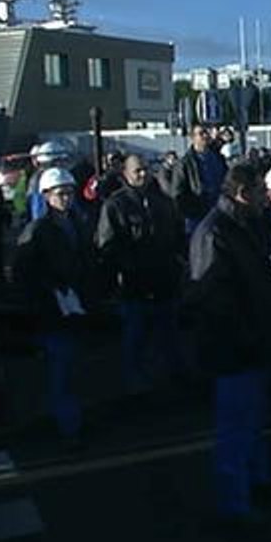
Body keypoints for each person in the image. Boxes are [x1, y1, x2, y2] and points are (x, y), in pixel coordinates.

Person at [183, 163, 271, 531]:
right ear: (243, 194)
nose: (266, 199)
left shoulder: (243, 226)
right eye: (260, 192)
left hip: (252, 345)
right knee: (234, 429)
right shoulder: (215, 234)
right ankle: (234, 505)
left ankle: (256, 482)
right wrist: (248, 335)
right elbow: (211, 300)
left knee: (253, 422)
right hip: (233, 350)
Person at [13, 168, 95, 449]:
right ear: (46, 196)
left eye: (69, 192)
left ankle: (74, 419)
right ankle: (67, 426)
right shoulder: (37, 230)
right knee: (61, 370)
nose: (66, 198)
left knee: (74, 368)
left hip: (76, 307)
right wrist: (48, 292)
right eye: (60, 193)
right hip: (52, 309)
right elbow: (22, 274)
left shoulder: (76, 222)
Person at [95, 154, 189, 399]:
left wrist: (178, 263)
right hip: (135, 287)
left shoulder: (163, 202)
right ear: (125, 173)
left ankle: (170, 385)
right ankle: (136, 389)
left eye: (145, 169)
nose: (142, 174)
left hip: (164, 283)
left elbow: (178, 235)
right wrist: (122, 272)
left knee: (169, 338)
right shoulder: (115, 205)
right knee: (135, 340)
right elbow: (107, 246)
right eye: (137, 170)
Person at [172, 124, 228, 236]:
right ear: (193, 138)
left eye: (206, 132)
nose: (205, 136)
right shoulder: (185, 163)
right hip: (198, 216)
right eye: (201, 133)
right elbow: (178, 193)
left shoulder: (217, 158)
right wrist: (191, 211)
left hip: (219, 211)